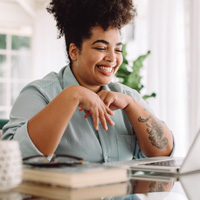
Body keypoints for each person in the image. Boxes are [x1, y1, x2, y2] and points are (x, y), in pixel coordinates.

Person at [2, 0, 174, 162]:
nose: (112, 58)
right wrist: (71, 95)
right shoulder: (39, 94)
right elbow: (14, 158)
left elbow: (164, 153)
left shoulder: (126, 97)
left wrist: (131, 105)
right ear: (74, 51)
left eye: (118, 49)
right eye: (101, 48)